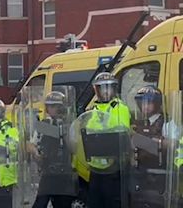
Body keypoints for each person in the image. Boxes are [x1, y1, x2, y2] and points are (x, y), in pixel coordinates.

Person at [84, 72, 130, 208]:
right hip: (95, 167)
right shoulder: (92, 110)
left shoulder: (120, 108)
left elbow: (121, 134)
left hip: (113, 166)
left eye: (108, 88)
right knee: (94, 202)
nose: (105, 92)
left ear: (114, 89)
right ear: (96, 90)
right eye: (102, 88)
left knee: (113, 202)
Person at [31, 91, 76, 208]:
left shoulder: (70, 124)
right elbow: (31, 144)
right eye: (49, 106)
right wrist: (36, 154)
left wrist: (63, 131)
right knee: (40, 204)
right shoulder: (44, 124)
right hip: (48, 172)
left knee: (63, 204)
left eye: (54, 106)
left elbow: (73, 148)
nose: (51, 109)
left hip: (64, 172)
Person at [130, 86, 168, 208]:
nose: (145, 106)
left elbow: (172, 145)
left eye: (149, 102)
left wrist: (144, 141)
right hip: (141, 174)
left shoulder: (166, 123)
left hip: (158, 174)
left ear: (157, 104)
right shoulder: (141, 123)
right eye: (142, 102)